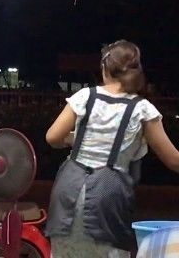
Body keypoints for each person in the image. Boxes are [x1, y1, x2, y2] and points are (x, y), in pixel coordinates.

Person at [44, 40, 179, 257]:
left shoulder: (85, 97)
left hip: (68, 192)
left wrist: (74, 141)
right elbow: (174, 160)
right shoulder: (142, 109)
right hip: (108, 198)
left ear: (105, 68)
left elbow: (52, 137)